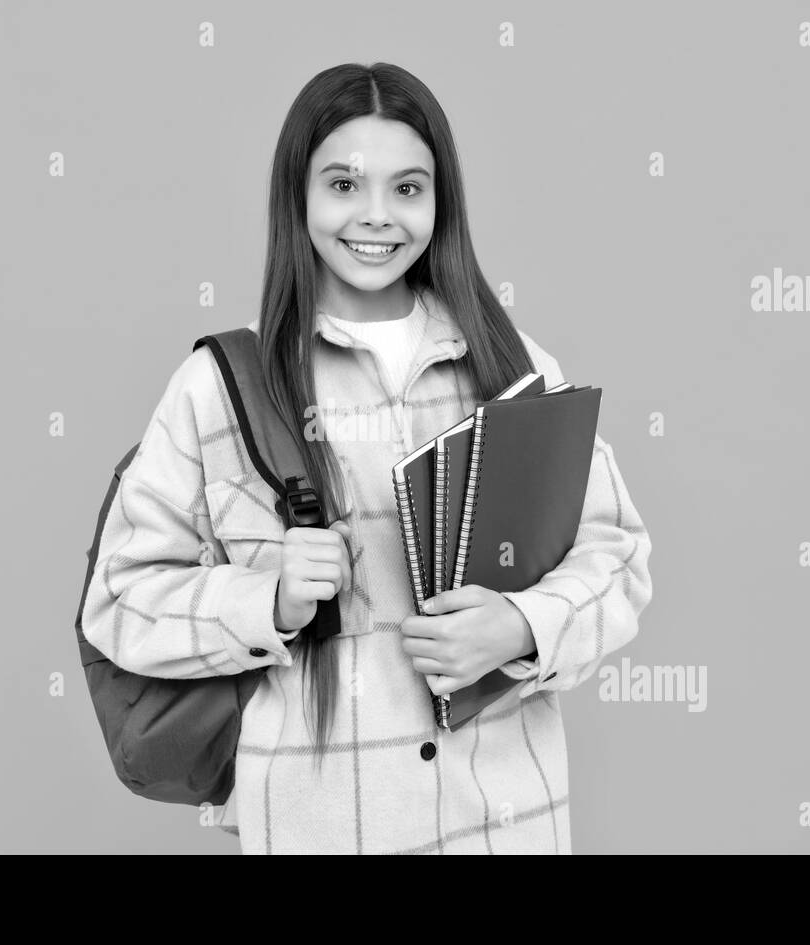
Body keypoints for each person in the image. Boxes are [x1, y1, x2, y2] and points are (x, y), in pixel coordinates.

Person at [79, 62, 654, 854]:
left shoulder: (514, 368)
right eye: (344, 185)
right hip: (323, 831)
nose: (376, 217)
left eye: (408, 189)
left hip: (506, 828)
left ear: (440, 201)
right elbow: (118, 600)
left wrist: (521, 626)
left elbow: (617, 558)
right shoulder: (219, 388)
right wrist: (267, 599)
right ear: (298, 197)